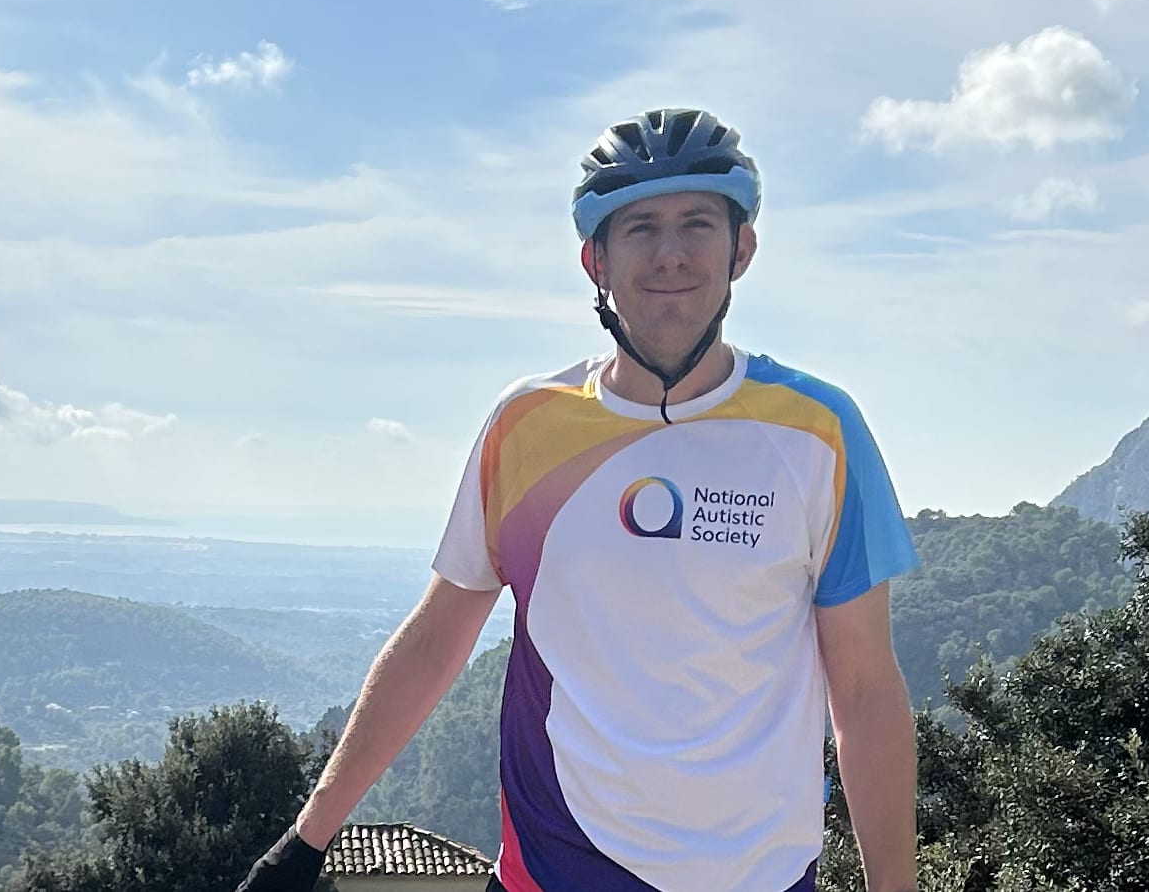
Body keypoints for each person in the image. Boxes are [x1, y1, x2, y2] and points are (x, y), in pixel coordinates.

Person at [236, 109, 921, 892]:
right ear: (595, 259)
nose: (670, 252)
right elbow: (435, 640)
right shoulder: (527, 424)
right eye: (639, 228)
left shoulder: (820, 432)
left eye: (698, 221)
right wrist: (306, 840)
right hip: (552, 873)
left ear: (743, 248)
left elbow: (864, 691)